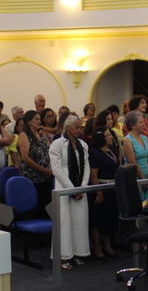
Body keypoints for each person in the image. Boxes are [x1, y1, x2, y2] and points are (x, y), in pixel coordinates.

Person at [49, 116, 90, 269]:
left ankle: (78, 253)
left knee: (79, 221)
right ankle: (64, 256)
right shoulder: (57, 144)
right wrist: (71, 189)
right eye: (76, 127)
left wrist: (83, 186)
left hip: (80, 185)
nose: (80, 130)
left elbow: (86, 166)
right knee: (64, 222)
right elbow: (57, 169)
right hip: (64, 185)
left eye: (81, 127)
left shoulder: (83, 145)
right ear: (68, 128)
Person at [88, 127, 120, 260]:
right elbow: (93, 174)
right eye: (107, 135)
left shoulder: (111, 150)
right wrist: (98, 192)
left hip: (112, 188)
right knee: (98, 219)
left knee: (110, 218)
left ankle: (107, 245)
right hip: (101, 187)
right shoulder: (95, 153)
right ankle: (97, 247)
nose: (111, 137)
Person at [18, 110, 53, 213]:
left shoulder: (42, 135)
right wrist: (43, 170)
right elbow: (25, 157)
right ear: (28, 121)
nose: (39, 121)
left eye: (39, 119)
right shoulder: (24, 135)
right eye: (36, 119)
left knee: (46, 206)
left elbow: (50, 152)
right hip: (32, 178)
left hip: (46, 177)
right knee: (36, 209)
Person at [123, 110, 148, 202]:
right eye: (140, 122)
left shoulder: (145, 138)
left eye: (143, 122)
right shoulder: (128, 140)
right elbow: (132, 162)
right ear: (132, 125)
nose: (144, 124)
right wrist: (144, 181)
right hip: (136, 177)